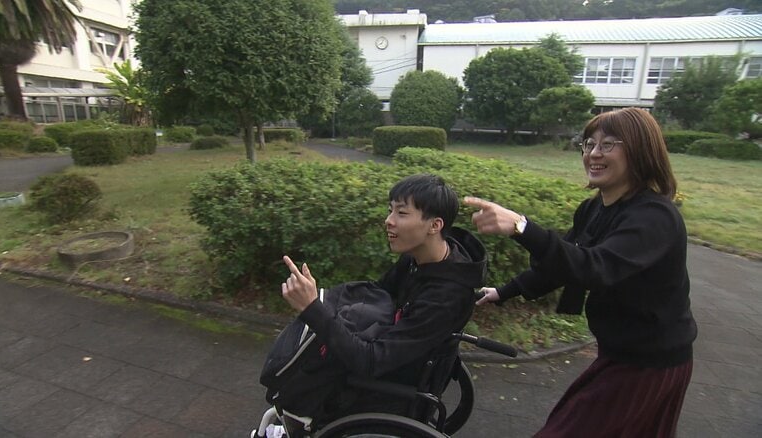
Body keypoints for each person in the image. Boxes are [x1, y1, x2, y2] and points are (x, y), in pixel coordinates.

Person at [465, 107, 697, 438]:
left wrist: (521, 226)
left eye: (608, 144)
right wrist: (504, 292)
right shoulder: (594, 208)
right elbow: (565, 264)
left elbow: (595, 268)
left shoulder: (654, 217)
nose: (593, 154)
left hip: (651, 363)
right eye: (588, 144)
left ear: (640, 150)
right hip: (621, 353)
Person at [280, 173, 487, 417]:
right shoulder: (418, 257)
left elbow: (370, 362)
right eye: (390, 211)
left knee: (299, 384)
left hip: (388, 389)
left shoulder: (446, 297)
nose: (389, 221)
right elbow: (378, 294)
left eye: (401, 213)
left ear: (435, 225)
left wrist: (313, 309)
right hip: (387, 356)